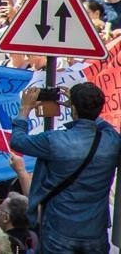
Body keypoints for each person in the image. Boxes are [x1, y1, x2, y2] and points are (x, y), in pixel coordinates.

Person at [10, 81, 121, 252]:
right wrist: (86, 106)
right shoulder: (112, 140)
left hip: (59, 231)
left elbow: (18, 141)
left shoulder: (55, 140)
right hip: (95, 232)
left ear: (73, 109)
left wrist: (25, 109)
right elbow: (102, 124)